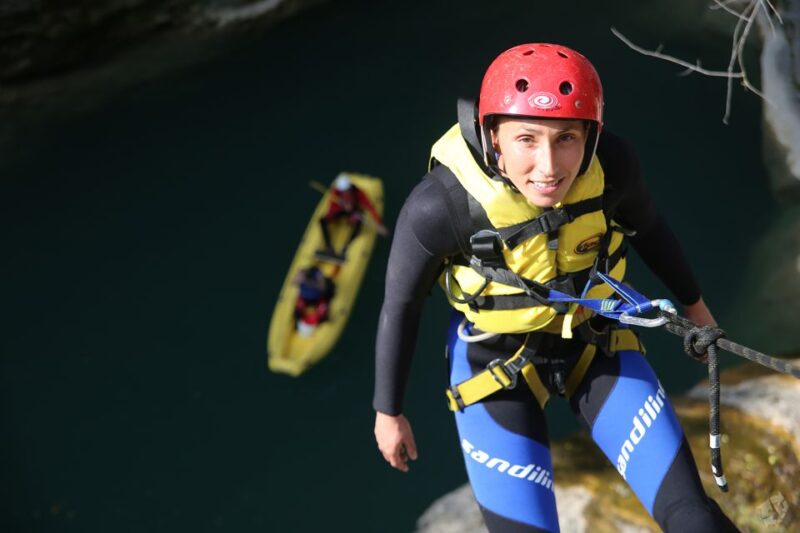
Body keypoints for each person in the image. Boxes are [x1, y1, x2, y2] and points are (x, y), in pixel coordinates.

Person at [372, 43, 738, 532]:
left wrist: (696, 310)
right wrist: (388, 411)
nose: (548, 167)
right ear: (492, 137)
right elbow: (401, 304)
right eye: (527, 138)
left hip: (597, 341)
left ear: (592, 135)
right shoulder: (441, 206)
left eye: (566, 138)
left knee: (695, 520)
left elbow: (650, 230)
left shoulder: (612, 168)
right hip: (493, 362)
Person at [319, 174, 387, 259]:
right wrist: (342, 207)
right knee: (322, 221)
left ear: (350, 187)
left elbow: (370, 208)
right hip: (341, 209)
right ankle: (329, 247)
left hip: (354, 211)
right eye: (343, 190)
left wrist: (378, 223)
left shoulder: (359, 193)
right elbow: (331, 208)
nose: (345, 192)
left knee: (357, 222)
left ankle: (346, 247)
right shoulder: (336, 192)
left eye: (347, 190)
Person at [294, 265, 334, 336]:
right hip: (305, 298)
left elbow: (323, 287)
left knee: (323, 314)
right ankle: (298, 324)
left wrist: (310, 282)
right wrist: (300, 278)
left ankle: (322, 324)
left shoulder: (318, 275)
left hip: (317, 298)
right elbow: (293, 283)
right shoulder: (302, 274)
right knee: (297, 313)